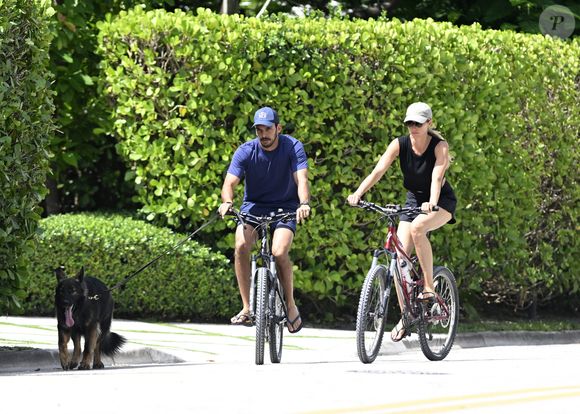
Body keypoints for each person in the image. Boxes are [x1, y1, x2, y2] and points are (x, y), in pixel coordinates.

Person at [347, 102, 457, 342]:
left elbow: (437, 177)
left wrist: (431, 203)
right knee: (399, 261)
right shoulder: (400, 144)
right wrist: (358, 193)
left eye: (418, 123)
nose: (413, 127)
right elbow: (378, 171)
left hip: (440, 201)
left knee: (419, 228)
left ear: (429, 123)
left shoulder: (440, 147)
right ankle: (407, 317)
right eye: (409, 123)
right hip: (412, 200)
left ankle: (429, 286)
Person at [218, 106, 311, 333]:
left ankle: (290, 305)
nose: (263, 135)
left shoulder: (292, 147)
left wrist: (304, 204)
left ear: (278, 128)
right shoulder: (246, 151)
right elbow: (229, 184)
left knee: (279, 252)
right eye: (259, 130)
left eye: (268, 129)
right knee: (241, 245)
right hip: (253, 208)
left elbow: (302, 179)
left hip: (286, 208)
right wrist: (227, 202)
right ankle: (247, 307)